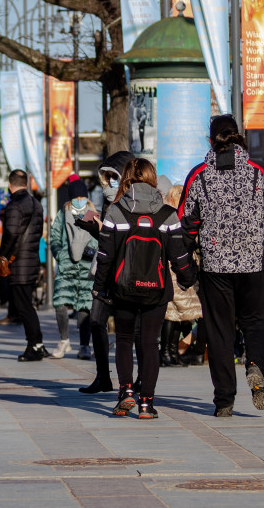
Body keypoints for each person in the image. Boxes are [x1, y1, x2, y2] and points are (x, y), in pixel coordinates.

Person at [179, 115, 264, 416]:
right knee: (256, 322)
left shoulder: (199, 176)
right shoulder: (259, 173)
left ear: (210, 140)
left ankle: (224, 400)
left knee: (220, 332)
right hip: (254, 264)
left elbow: (186, 226)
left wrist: (184, 268)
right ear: (239, 137)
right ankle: (255, 365)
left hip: (216, 269)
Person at [94, 158, 196, 419]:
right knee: (150, 344)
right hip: (157, 290)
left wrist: (100, 289)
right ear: (152, 179)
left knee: (125, 341)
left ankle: (126, 392)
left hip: (123, 288)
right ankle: (146, 404)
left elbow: (104, 255)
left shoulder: (115, 211)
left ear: (127, 178)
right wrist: (187, 279)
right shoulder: (167, 214)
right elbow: (179, 254)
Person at [77, 150, 135, 394]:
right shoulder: (108, 201)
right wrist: (93, 229)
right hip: (104, 271)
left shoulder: (132, 203)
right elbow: (107, 240)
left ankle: (134, 381)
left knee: (130, 330)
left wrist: (99, 231)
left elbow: (126, 241)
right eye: (107, 177)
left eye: (114, 177)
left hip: (126, 273)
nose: (110, 182)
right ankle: (103, 376)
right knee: (96, 321)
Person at [0, 169, 47, 361]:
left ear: (10, 186)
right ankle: (38, 344)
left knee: (23, 306)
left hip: (18, 263)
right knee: (27, 304)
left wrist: (2, 256)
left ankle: (34, 346)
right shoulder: (37, 204)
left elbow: (10, 234)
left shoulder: (14, 206)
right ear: (25, 183)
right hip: (32, 260)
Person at [49, 176, 97, 360]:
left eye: (82, 197)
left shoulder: (93, 214)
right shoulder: (63, 214)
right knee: (60, 303)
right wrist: (60, 254)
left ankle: (84, 346)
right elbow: (54, 238)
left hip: (86, 268)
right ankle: (64, 340)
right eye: (76, 198)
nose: (79, 201)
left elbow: (100, 238)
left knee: (85, 307)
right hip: (67, 267)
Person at [163, 184, 204, 367]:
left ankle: (171, 351)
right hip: (175, 267)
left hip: (178, 267)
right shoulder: (174, 215)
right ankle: (167, 352)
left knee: (176, 313)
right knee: (172, 313)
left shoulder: (174, 214)